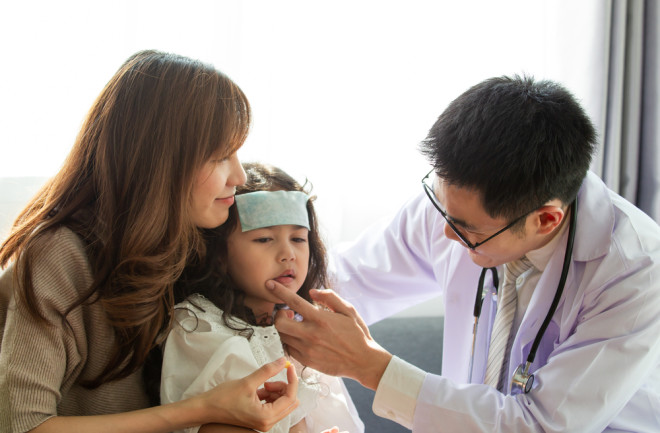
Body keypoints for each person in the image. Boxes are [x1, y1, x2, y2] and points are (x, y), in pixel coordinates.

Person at [266, 75, 660, 432]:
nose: (444, 233)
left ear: (546, 220)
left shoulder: (635, 271)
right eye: (442, 209)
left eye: (469, 230)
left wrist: (370, 367)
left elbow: (540, 426)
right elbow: (342, 280)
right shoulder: (456, 207)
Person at [0, 50, 299, 433]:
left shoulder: (192, 245)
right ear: (161, 161)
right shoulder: (58, 255)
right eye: (222, 156)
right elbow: (23, 426)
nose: (239, 176)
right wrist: (201, 409)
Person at [160, 162, 363, 433]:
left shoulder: (306, 335)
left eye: (299, 239)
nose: (288, 253)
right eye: (265, 239)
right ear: (219, 255)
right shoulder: (199, 325)